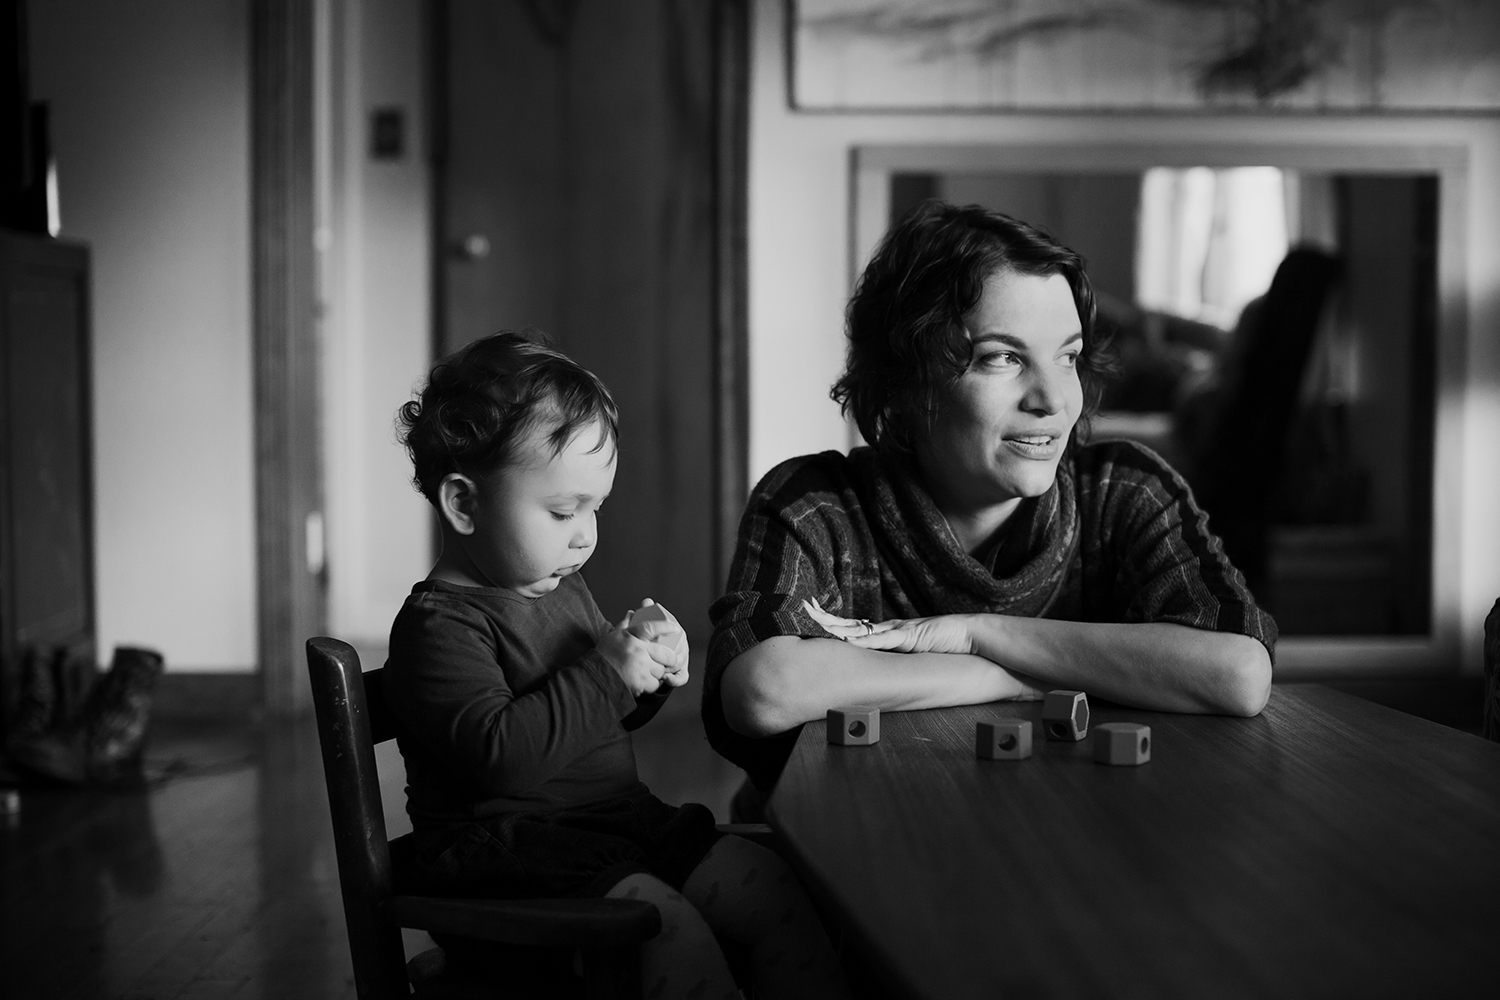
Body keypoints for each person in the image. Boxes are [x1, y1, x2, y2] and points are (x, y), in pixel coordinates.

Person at [705, 202, 1277, 803]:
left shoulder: (1124, 490)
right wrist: (1005, 676)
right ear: (906, 384)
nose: (1053, 399)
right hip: (852, 841)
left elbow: (1237, 674)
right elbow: (763, 690)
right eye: (1002, 357)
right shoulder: (813, 503)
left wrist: (980, 635)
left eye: (1068, 356)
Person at [384, 332, 848, 1000]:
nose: (585, 534)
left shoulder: (559, 584)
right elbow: (501, 757)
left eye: (595, 508)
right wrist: (608, 671)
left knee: (773, 883)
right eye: (562, 510)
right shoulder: (439, 627)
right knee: (666, 926)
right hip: (511, 858)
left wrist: (647, 674)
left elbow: (600, 715)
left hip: (613, 824)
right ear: (464, 503)